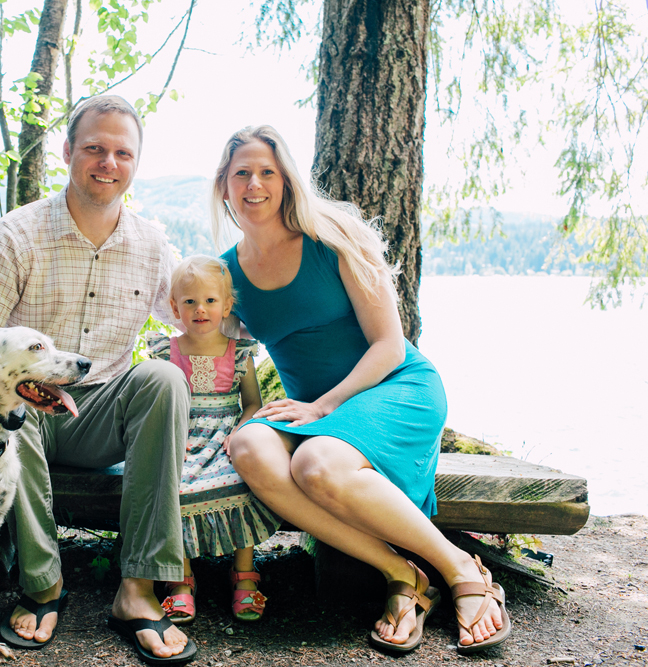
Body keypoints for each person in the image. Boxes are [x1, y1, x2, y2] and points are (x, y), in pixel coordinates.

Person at [0, 95, 197, 665]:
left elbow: (201, 313)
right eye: (95, 148)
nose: (108, 162)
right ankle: (43, 586)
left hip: (100, 412)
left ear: (136, 162)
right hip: (26, 410)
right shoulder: (17, 234)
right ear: (69, 151)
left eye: (123, 152)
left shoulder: (153, 244)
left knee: (164, 378)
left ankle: (139, 590)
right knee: (7, 411)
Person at [212, 125, 513, 655]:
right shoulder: (227, 274)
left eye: (268, 172)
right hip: (315, 413)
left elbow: (389, 346)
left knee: (317, 464)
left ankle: (462, 568)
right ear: (224, 186)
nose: (254, 184)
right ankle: (404, 575)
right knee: (248, 447)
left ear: (287, 181)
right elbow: (217, 349)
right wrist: (239, 412)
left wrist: (325, 404)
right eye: (242, 173)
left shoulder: (332, 239)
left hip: (395, 389)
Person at [146, 255, 280, 625]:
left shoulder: (240, 354)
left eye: (209, 301)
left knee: (242, 481)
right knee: (174, 487)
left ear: (226, 306)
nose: (200, 309)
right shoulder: (166, 352)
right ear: (175, 307)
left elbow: (253, 403)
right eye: (189, 301)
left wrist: (242, 429)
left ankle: (244, 573)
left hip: (226, 437)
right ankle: (180, 582)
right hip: (181, 437)